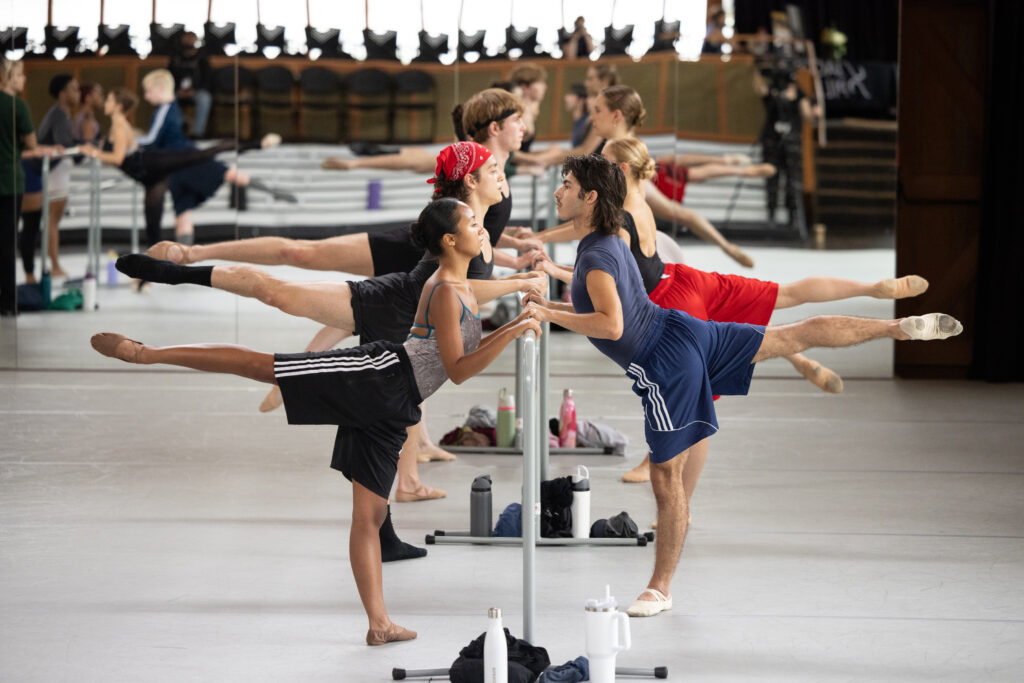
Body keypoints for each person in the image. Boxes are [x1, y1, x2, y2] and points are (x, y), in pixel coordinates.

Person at [523, 154, 961, 618]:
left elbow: (611, 326)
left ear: (590, 197)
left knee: (666, 478)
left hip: (664, 363)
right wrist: (551, 282)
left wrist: (547, 312)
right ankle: (898, 328)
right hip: (684, 328)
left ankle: (660, 587)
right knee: (796, 333)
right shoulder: (607, 238)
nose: (558, 191)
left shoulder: (594, 253)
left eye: (566, 185)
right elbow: (614, 303)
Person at [91, 197, 543, 646]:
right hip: (375, 378)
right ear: (450, 240)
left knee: (371, 514)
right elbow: (460, 370)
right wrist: (514, 326)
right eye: (472, 222)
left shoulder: (457, 283)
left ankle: (379, 624)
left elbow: (471, 307)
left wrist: (520, 288)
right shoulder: (444, 291)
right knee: (263, 366)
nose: (482, 228)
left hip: (395, 408)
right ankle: (148, 354)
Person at [117, 140, 546, 504]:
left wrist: (517, 268)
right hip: (386, 302)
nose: (502, 175)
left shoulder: (479, 231)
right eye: (493, 169)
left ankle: (404, 487)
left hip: (408, 321)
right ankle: (181, 269)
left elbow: (470, 289)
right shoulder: (457, 223)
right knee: (277, 292)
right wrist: (519, 282)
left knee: (395, 403)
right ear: (470, 182)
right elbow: (460, 290)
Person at [535, 136, 930, 485]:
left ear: (616, 173)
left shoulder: (615, 223)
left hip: (666, 304)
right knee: (788, 297)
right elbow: (676, 220)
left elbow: (600, 268)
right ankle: (870, 293)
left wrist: (540, 251)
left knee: (697, 401)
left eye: (602, 164)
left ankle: (669, 483)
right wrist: (726, 248)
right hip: (685, 278)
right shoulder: (642, 200)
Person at [527, 85, 758, 269]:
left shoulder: (615, 152)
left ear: (616, 116)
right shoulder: (615, 145)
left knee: (677, 209)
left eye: (597, 111)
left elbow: (595, 222)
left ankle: (727, 241)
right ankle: (726, 243)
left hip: (639, 227)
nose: (591, 117)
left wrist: (542, 237)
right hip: (640, 215)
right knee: (678, 210)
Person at [133, 70, 293, 248]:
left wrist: (128, 140)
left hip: (185, 160)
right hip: (178, 165)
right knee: (183, 214)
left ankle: (276, 192)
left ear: (160, 88)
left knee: (226, 178)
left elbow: (152, 139)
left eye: (148, 91)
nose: (146, 97)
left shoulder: (165, 109)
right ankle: (184, 261)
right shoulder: (168, 109)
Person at [1, 56, 61, 315]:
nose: (24, 79)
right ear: (9, 77)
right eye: (20, 75)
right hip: (8, 182)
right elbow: (30, 145)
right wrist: (42, 149)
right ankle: (8, 302)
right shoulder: (17, 106)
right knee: (6, 243)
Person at [754, 61, 821, 228]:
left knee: (792, 180)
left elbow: (808, 115)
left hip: (791, 143)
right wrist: (758, 69)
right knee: (772, 178)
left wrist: (816, 114)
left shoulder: (799, 94)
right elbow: (759, 90)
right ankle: (771, 214)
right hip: (772, 140)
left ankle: (792, 216)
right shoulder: (772, 90)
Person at [28, 73, 81, 279]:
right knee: (52, 220)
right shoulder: (58, 114)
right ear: (62, 93)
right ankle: (55, 264)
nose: (78, 93)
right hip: (52, 171)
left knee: (53, 220)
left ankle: (54, 263)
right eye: (74, 89)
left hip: (56, 171)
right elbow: (63, 147)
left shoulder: (62, 114)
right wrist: (82, 150)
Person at [167, 31, 213, 138]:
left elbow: (208, 79)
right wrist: (178, 89)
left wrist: (195, 90)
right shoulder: (176, 59)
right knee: (167, 99)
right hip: (178, 91)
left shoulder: (202, 59)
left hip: (197, 91)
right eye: (186, 38)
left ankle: (197, 133)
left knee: (205, 98)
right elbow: (168, 77)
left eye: (191, 38)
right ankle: (177, 128)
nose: (189, 41)